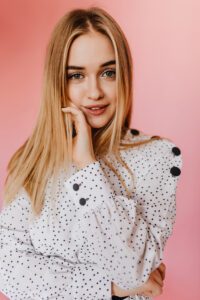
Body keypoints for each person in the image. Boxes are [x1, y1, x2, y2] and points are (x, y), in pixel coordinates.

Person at [0, 6, 182, 300]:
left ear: (124, 75)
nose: (94, 91)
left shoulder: (158, 158)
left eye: (108, 72)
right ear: (57, 82)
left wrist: (87, 166)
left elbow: (131, 271)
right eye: (77, 76)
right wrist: (108, 288)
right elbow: (7, 268)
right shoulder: (35, 160)